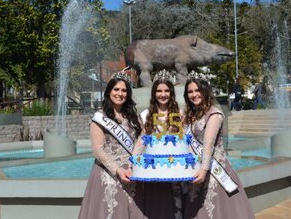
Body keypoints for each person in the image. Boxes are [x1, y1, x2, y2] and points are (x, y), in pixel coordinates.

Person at [182, 71, 255, 219]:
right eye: (190, 91)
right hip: (195, 170)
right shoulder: (190, 115)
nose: (194, 94)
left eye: (197, 90)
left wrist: (203, 171)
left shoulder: (214, 114)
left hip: (214, 172)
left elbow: (208, 145)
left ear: (205, 91)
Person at [78, 71, 144, 219]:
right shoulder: (100, 117)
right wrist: (119, 171)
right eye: (116, 89)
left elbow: (142, 138)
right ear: (109, 92)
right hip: (108, 174)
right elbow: (98, 150)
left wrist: (135, 162)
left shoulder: (133, 116)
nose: (120, 93)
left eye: (124, 90)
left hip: (132, 172)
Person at [133, 69, 184, 219]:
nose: (163, 94)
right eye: (159, 91)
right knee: (157, 208)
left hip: (176, 170)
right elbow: (141, 141)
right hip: (154, 170)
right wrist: (133, 161)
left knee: (176, 207)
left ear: (171, 93)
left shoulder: (179, 114)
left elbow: (185, 140)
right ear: (154, 93)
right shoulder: (145, 115)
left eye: (166, 91)